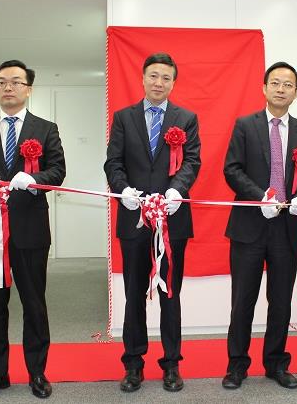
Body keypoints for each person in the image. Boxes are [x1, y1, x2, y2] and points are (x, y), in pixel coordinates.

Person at [0, 59, 66, 400]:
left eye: (16, 82)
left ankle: (37, 373)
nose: (8, 87)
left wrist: (34, 179)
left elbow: (58, 171)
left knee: (34, 304)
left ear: (28, 89)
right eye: (2, 81)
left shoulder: (45, 128)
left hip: (31, 231)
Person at [104, 52, 201, 393]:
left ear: (173, 83)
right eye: (154, 76)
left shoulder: (186, 118)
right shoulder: (123, 118)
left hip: (172, 218)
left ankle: (172, 364)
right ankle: (133, 364)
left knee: (170, 293)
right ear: (143, 78)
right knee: (134, 293)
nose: (159, 82)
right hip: (134, 217)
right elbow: (113, 162)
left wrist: (177, 191)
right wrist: (123, 190)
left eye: (166, 78)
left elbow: (192, 161)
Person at [221, 62, 297, 390]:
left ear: (296, 92)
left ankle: (276, 363)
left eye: (288, 84)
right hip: (249, 225)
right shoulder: (245, 126)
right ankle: (236, 365)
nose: (281, 89)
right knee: (243, 301)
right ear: (264, 88)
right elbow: (232, 169)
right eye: (275, 82)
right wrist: (259, 197)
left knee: (280, 300)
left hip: (287, 227)